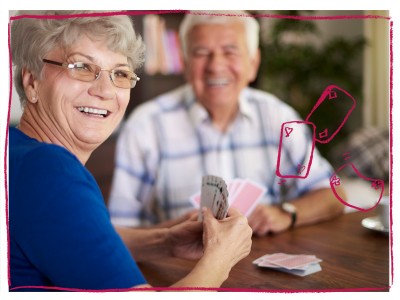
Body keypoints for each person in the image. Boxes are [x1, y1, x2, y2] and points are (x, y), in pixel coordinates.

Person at [9, 10, 252, 291]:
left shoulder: (17, 152)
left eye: (120, 73)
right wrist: (220, 258)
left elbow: (72, 240)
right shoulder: (50, 172)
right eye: (82, 67)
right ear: (31, 82)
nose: (105, 91)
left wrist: (164, 242)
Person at [108, 10, 347, 235]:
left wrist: (286, 213)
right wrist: (173, 233)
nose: (216, 66)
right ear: (186, 63)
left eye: (230, 51)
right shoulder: (145, 126)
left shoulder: (279, 117)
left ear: (253, 64)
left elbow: (333, 195)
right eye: (202, 53)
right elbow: (118, 233)